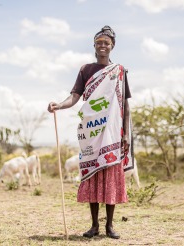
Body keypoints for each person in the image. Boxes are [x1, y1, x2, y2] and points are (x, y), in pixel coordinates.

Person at [47, 25, 134, 240]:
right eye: (99, 42)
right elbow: (75, 96)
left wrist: (125, 133)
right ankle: (94, 226)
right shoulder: (86, 70)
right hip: (92, 132)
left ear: (112, 46)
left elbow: (125, 105)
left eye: (106, 42)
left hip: (113, 132)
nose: (102, 45)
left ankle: (110, 227)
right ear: (94, 45)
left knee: (111, 178)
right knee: (93, 176)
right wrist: (59, 105)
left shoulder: (120, 72)